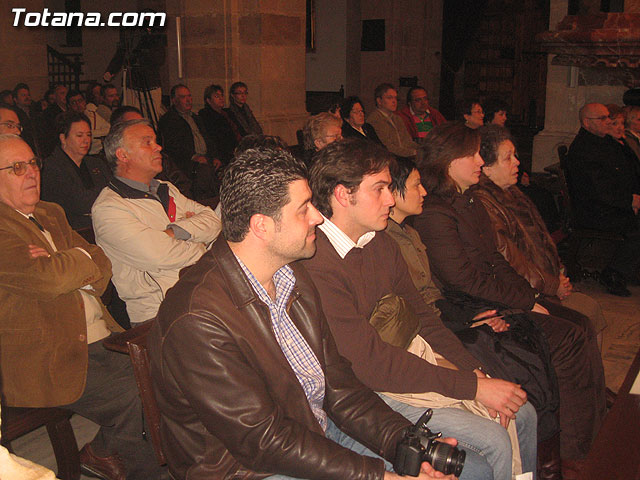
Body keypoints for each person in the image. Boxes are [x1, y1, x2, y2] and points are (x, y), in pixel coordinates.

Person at [147, 145, 458, 480]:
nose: (318, 217)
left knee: (457, 466)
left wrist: (408, 442)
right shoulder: (198, 319)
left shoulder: (293, 276)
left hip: (312, 432)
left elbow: (341, 388)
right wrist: (379, 476)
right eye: (303, 209)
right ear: (262, 226)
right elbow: (262, 440)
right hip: (246, 468)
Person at [303, 138, 537, 480]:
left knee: (523, 412)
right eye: (380, 189)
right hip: (365, 390)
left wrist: (474, 372)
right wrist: (471, 388)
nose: (390, 198)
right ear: (342, 195)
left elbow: (424, 318)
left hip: (407, 362)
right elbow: (368, 363)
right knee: (494, 439)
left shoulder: (379, 242)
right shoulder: (317, 261)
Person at [416, 122, 606, 479]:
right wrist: (522, 302)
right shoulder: (436, 212)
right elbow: (463, 279)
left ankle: (593, 429)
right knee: (565, 339)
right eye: (471, 154)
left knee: (579, 324)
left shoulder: (468, 200)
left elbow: (495, 260)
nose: (478, 161)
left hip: (494, 298)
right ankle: (569, 452)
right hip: (471, 308)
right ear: (448, 161)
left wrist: (530, 295)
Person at [0, 134, 167, 479]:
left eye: (33, 163)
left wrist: (65, 262)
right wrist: (75, 262)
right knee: (139, 393)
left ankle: (104, 452)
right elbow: (48, 279)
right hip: (50, 354)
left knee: (173, 368)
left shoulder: (51, 212)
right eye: (17, 167)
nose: (31, 173)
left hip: (100, 337)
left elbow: (102, 266)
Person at [471, 125, 607, 349]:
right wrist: (553, 285)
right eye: (508, 158)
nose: (517, 162)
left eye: (515, 155)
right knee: (583, 319)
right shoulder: (485, 202)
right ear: (486, 167)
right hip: (526, 290)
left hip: (545, 282)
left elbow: (541, 240)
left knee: (591, 310)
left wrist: (560, 272)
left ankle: (591, 380)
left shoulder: (511, 192)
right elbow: (510, 260)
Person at [91, 119, 221, 324]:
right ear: (122, 155)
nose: (158, 146)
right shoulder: (110, 208)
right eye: (147, 142)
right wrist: (201, 244)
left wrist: (176, 232)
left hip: (200, 296)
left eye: (155, 141)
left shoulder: (166, 189)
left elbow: (213, 221)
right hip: (159, 314)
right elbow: (159, 255)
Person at [567, 102, 640, 296]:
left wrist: (622, 143)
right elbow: (598, 190)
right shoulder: (585, 149)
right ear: (587, 123)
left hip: (611, 204)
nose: (608, 121)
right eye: (603, 118)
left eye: (608, 117)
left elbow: (630, 169)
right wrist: (629, 201)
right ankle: (614, 273)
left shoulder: (604, 141)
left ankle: (629, 270)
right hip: (596, 211)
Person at [41, 112, 111, 230]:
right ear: (63, 138)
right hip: (73, 229)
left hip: (104, 222)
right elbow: (80, 203)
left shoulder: (96, 163)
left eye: (88, 135)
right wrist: (106, 194)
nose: (86, 140)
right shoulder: (51, 167)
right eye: (79, 135)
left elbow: (114, 189)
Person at [158, 84, 221, 201]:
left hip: (204, 157)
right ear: (174, 100)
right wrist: (193, 156)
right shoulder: (169, 120)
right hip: (185, 161)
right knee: (204, 171)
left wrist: (215, 156)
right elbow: (173, 146)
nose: (188, 100)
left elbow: (207, 138)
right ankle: (205, 202)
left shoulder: (196, 117)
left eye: (189, 96)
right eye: (183, 97)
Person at [367, 83, 419, 158]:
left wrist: (422, 149)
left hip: (404, 156)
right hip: (390, 159)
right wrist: (413, 152)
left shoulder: (397, 118)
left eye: (395, 98)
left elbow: (407, 141)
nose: (394, 101)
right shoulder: (375, 119)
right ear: (379, 101)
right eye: (389, 98)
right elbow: (387, 147)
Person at [198, 84, 241, 165]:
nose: (221, 98)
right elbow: (215, 139)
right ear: (209, 100)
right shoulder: (206, 115)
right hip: (223, 153)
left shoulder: (227, 113)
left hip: (235, 149)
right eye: (217, 96)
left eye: (222, 95)